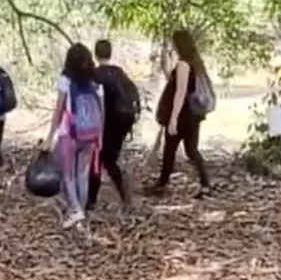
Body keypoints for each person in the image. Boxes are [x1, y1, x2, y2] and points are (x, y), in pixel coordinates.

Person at [144, 29, 213, 199]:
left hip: (182, 115)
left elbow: (180, 93)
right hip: (193, 115)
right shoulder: (196, 63)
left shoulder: (183, 65)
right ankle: (205, 183)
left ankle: (161, 185)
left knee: (170, 149)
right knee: (191, 150)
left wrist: (173, 118)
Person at [45, 43, 103, 230]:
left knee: (67, 174)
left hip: (68, 133)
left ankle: (76, 210)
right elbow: (102, 110)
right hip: (91, 134)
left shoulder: (66, 80)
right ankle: (80, 214)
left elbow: (59, 109)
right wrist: (99, 135)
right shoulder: (96, 80)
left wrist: (49, 137)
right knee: (83, 175)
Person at [86, 39, 138, 215]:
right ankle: (122, 197)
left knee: (99, 161)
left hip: (104, 124)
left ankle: (93, 201)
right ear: (110, 53)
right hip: (122, 124)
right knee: (107, 160)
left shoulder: (94, 74)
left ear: (96, 54)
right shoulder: (120, 73)